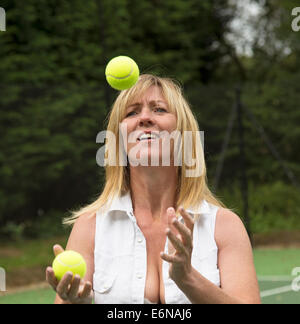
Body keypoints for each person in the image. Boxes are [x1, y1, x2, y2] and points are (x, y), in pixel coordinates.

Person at [46, 74, 261, 304]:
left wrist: (188, 278)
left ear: (183, 133)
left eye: (159, 109)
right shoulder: (89, 227)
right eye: (132, 112)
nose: (145, 118)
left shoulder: (224, 227)